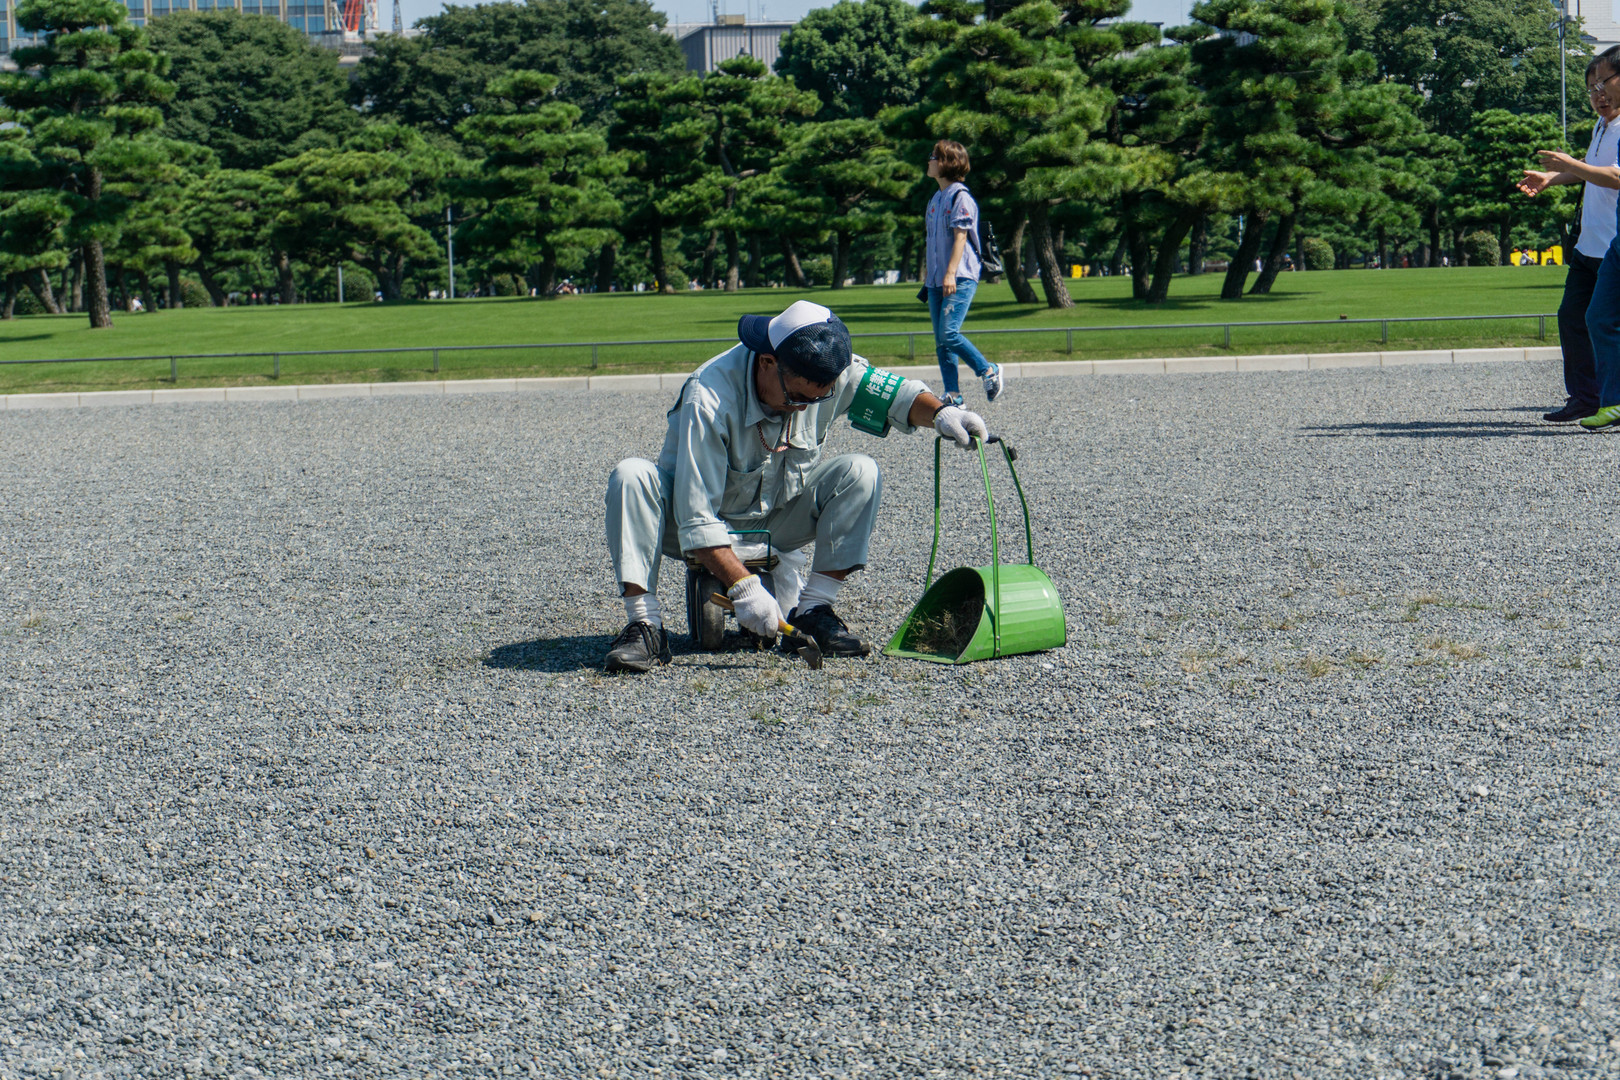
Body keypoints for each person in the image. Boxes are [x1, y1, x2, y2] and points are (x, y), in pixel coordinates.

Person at [602, 300, 990, 673]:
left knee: (861, 470)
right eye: (798, 398)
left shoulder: (825, 375)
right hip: (685, 526)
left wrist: (942, 413)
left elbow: (896, 395)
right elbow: (695, 514)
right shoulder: (710, 395)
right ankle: (646, 626)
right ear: (768, 362)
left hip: (775, 521)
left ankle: (814, 610)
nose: (805, 407)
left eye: (818, 398)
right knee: (631, 476)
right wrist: (745, 589)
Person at [1520, 46, 1620, 424]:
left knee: (1602, 322)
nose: (1597, 94)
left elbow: (1615, 176)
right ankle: (1586, 397)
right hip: (1589, 247)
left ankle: (1607, 399)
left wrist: (1570, 163)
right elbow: (1592, 169)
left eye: (1603, 83)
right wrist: (1553, 177)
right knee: (1573, 318)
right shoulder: (1603, 126)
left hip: (1614, 246)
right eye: (1591, 87)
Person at [924, 140, 1003, 408]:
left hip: (959, 276)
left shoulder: (961, 197)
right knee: (941, 341)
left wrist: (949, 274)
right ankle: (953, 395)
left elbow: (960, 239)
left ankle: (988, 370)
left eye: (934, 157)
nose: (929, 160)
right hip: (936, 280)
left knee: (949, 333)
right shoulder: (936, 199)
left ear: (947, 162)